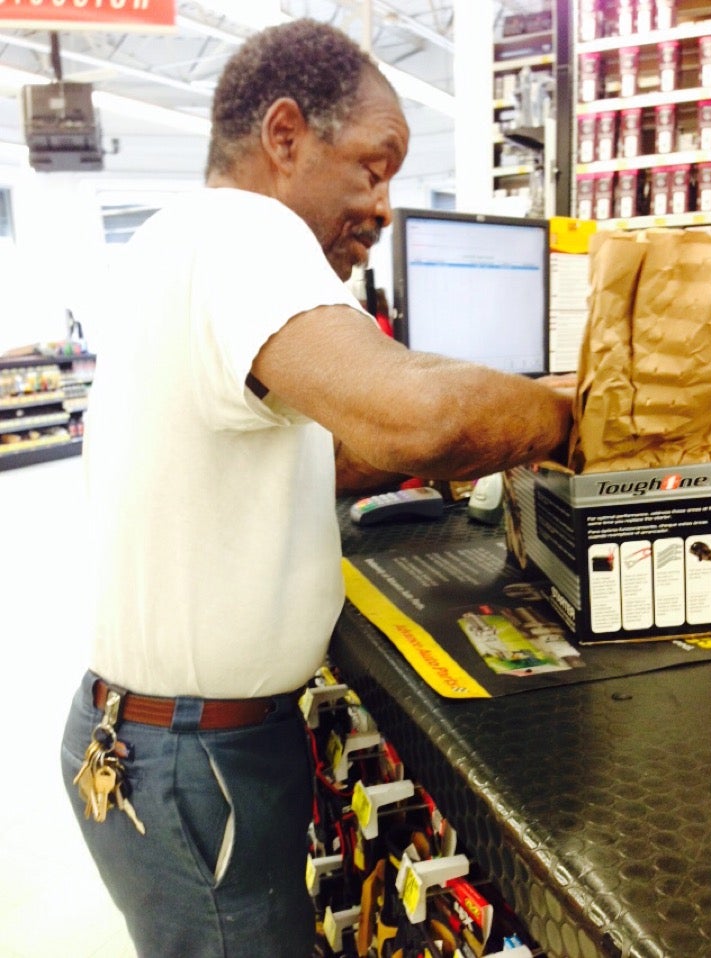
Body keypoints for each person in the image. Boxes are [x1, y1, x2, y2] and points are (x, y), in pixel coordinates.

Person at [60, 17, 572, 958]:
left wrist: (484, 428)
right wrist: (577, 412)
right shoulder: (243, 232)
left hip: (168, 745)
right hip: (193, 758)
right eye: (374, 168)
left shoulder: (182, 241)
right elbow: (416, 417)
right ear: (286, 136)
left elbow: (324, 460)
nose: (384, 207)